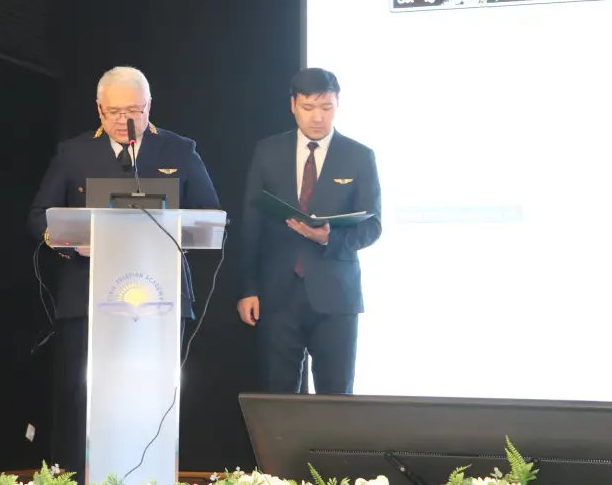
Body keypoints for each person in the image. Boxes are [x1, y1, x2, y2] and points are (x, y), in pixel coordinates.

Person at [28, 65, 219, 478]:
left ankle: (153, 477)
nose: (124, 120)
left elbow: (210, 215)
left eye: (134, 111)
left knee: (153, 395)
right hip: (88, 294)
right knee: (84, 394)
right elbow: (39, 215)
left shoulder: (179, 150)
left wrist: (172, 231)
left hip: (159, 297)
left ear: (149, 106)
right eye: (114, 112)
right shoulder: (74, 153)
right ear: (99, 108)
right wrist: (70, 241)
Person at [237, 67, 381, 395]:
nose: (318, 117)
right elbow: (251, 223)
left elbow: (372, 226)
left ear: (338, 103)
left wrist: (330, 238)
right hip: (278, 295)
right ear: (293, 105)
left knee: (336, 396)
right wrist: (248, 288)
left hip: (336, 295)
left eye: (326, 107)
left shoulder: (359, 156)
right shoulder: (268, 152)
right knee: (278, 395)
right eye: (308, 107)